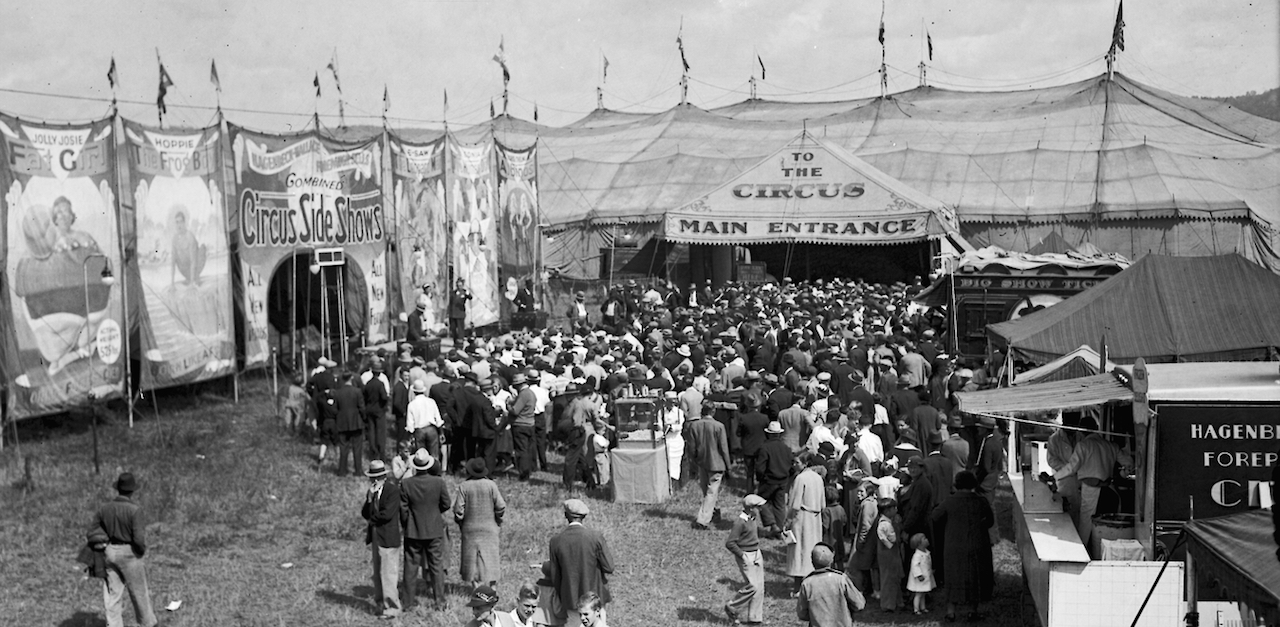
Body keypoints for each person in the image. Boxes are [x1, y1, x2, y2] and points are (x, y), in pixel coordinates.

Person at [1052, 415, 1134, 553]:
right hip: (1109, 490)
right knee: (1108, 527)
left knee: (1086, 526)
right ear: (1096, 428)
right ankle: (1108, 556)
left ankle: (1081, 554)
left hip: (1091, 490)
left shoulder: (1083, 446)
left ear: (1081, 431)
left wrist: (1054, 477)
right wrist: (1121, 474)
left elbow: (1071, 468)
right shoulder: (1110, 446)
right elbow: (1130, 463)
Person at [91, 472, 158, 627]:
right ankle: (148, 624)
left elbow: (93, 532)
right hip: (130, 553)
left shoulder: (105, 509)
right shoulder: (135, 510)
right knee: (139, 592)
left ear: (118, 489)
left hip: (110, 552)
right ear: (132, 490)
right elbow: (139, 540)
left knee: (113, 594)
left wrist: (105, 543)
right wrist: (140, 552)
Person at [931, 470, 994, 622]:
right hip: (977, 544)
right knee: (975, 576)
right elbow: (990, 521)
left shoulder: (949, 501)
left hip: (954, 544)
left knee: (953, 577)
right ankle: (973, 611)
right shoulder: (981, 501)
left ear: (957, 484)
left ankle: (951, 611)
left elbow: (935, 517)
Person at [548, 499, 615, 626]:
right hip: (595, 600)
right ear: (584, 517)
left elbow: (555, 577)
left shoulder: (556, 541)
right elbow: (609, 567)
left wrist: (563, 595)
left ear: (566, 515)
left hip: (572, 600)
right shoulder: (595, 537)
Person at [400, 451, 452, 611]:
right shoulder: (438, 482)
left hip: (413, 530)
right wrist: (435, 512)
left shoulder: (406, 483)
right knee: (436, 566)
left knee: (410, 566)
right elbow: (446, 503)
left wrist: (407, 524)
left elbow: (403, 509)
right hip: (434, 529)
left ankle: (407, 602)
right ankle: (440, 601)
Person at [454, 458, 506, 588]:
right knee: (491, 559)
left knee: (472, 562)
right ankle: (492, 589)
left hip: (470, 529)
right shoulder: (491, 485)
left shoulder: (464, 486)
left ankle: (476, 590)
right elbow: (501, 506)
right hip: (490, 528)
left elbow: (458, 510)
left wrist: (461, 522)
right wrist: (497, 519)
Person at [361, 460, 402, 619]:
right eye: (372, 477)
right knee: (377, 572)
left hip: (388, 537)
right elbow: (365, 513)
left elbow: (387, 514)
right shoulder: (371, 492)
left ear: (383, 477)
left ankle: (392, 607)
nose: (374, 481)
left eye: (377, 477)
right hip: (376, 535)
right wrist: (369, 499)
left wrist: (372, 519)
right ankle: (380, 604)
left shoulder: (392, 491)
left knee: (388, 573)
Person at [685, 400, 731, 530]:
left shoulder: (694, 426)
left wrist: (693, 461)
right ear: (713, 411)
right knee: (711, 491)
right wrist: (728, 466)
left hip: (702, 461)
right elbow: (724, 448)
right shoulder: (719, 426)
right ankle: (703, 520)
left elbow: (691, 447)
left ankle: (714, 512)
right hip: (717, 463)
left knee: (707, 490)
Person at [796, 543, 865, 627]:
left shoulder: (807, 584)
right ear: (831, 561)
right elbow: (859, 604)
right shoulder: (841, 579)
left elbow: (802, 613)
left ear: (812, 562)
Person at [786, 455, 827, 594]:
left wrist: (788, 519)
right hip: (815, 517)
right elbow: (823, 503)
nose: (794, 465)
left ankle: (798, 588)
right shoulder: (818, 478)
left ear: (805, 463)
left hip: (802, 517)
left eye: (797, 462)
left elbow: (795, 503)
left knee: (800, 550)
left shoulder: (800, 478)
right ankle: (812, 584)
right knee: (812, 548)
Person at [724, 494, 766, 625]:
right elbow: (730, 543)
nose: (761, 510)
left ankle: (755, 618)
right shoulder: (740, 522)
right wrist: (742, 555)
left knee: (759, 588)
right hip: (746, 555)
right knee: (752, 585)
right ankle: (733, 606)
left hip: (756, 553)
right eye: (758, 507)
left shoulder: (752, 518)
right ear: (751, 508)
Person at [754, 421, 793, 537]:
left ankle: (772, 524)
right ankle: (780, 529)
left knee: (761, 501)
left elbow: (760, 467)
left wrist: (760, 478)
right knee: (780, 505)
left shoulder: (764, 448)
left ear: (769, 434)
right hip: (783, 480)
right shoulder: (786, 448)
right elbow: (791, 464)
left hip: (769, 480)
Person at [973, 416, 1005, 545]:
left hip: (985, 482)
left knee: (987, 510)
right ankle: (994, 537)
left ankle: (991, 538)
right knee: (990, 509)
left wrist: (977, 479)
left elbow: (986, 467)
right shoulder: (996, 441)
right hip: (992, 479)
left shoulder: (988, 444)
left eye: (980, 428)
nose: (978, 430)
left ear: (985, 429)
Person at [334, 371, 367, 477]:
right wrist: (364, 418)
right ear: (351, 378)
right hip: (356, 422)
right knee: (357, 447)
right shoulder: (357, 391)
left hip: (342, 422)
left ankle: (342, 470)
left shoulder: (338, 392)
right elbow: (362, 407)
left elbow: (335, 409)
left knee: (343, 447)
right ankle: (358, 470)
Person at [875, 498, 904, 612]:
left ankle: (897, 602)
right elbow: (891, 540)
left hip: (891, 554)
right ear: (887, 511)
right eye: (894, 508)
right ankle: (888, 604)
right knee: (888, 578)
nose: (896, 510)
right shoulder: (884, 525)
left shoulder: (888, 522)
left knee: (895, 577)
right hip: (887, 555)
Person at [363, 358, 391, 462]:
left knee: (371, 431)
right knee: (380, 433)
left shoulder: (368, 384)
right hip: (379, 410)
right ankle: (381, 453)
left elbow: (364, 396)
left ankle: (373, 453)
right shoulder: (380, 384)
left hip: (369, 409)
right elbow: (384, 397)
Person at [907, 533, 935, 616]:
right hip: (920, 578)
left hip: (926, 576)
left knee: (923, 593)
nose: (927, 540)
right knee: (918, 594)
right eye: (924, 539)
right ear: (919, 543)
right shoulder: (917, 555)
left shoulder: (926, 553)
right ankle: (916, 609)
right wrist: (918, 575)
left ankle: (923, 607)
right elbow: (915, 566)